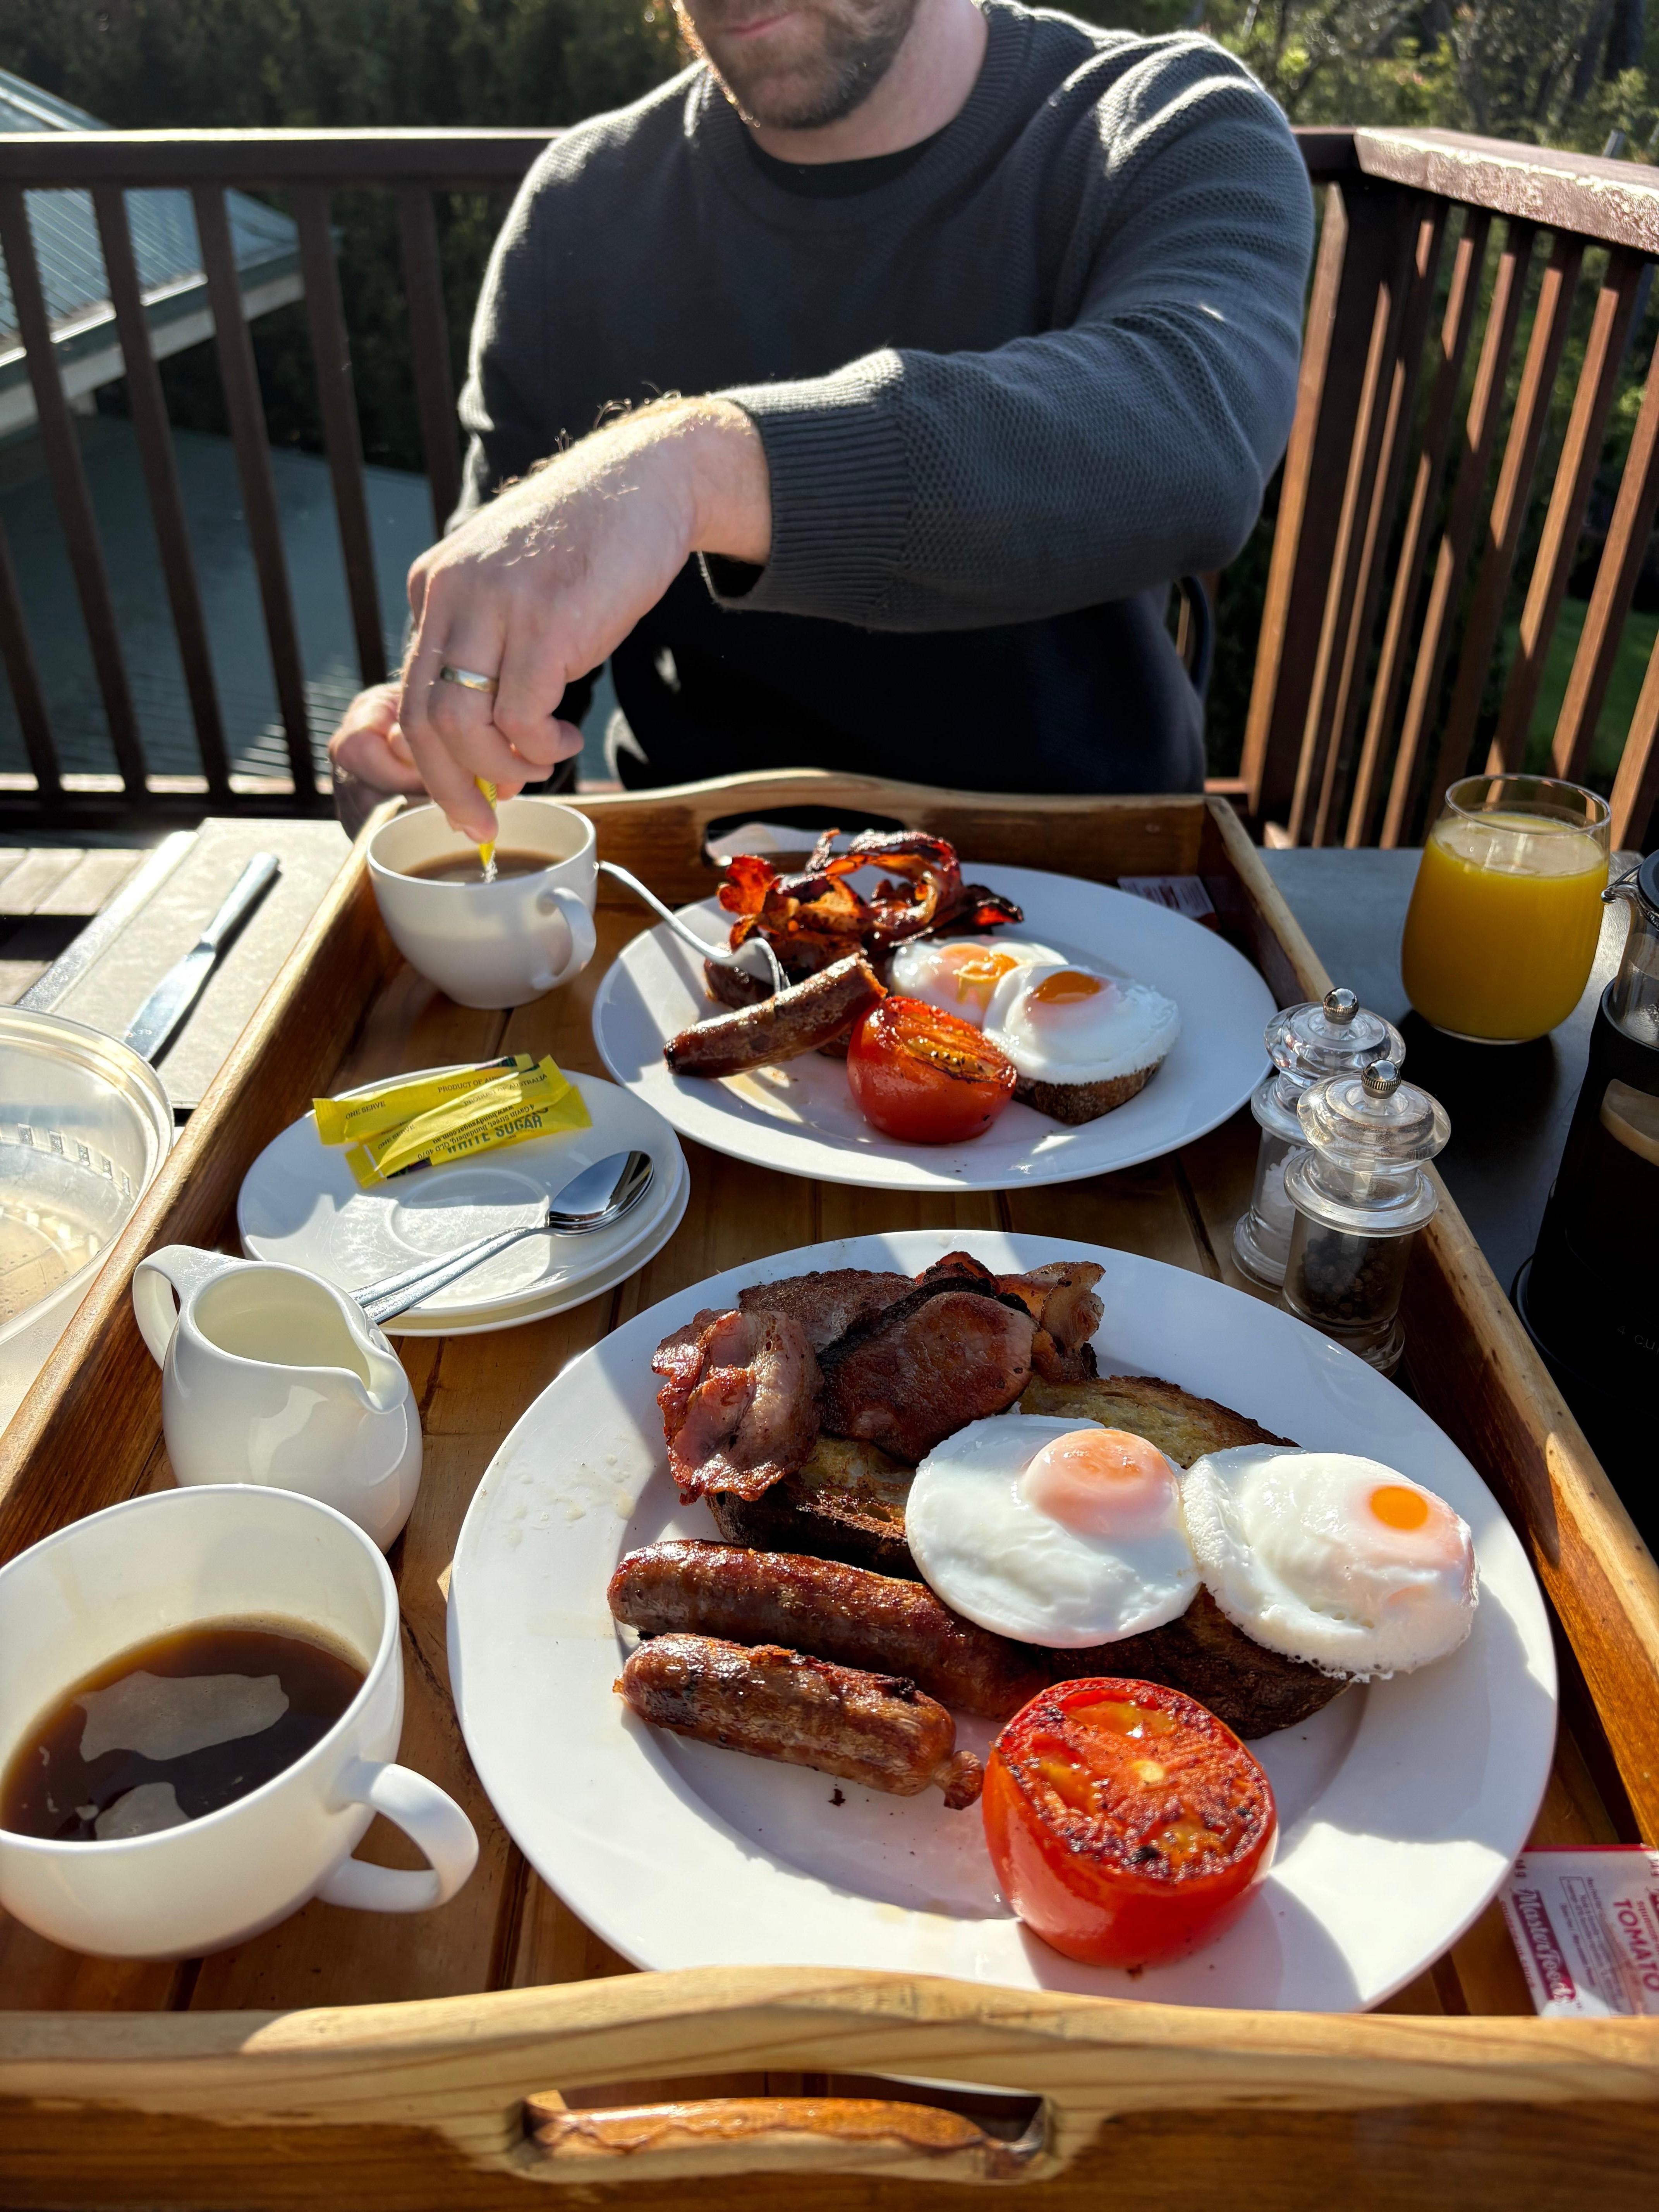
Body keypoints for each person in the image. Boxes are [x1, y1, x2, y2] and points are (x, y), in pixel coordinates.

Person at [328, 0, 1314, 843]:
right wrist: (432, 745)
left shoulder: (1166, 123)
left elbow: (1194, 426)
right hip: (699, 921)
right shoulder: (581, 209)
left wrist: (694, 472)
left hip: (1096, 910)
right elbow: (505, 649)